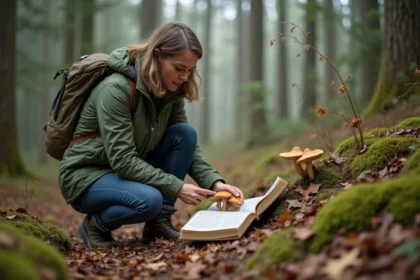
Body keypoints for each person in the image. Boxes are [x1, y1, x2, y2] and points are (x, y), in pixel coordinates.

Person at [58, 22, 244, 248]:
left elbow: (185, 145)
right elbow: (123, 160)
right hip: (86, 175)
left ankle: (158, 223)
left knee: (184, 133)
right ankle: (95, 225)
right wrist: (176, 186)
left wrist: (214, 182)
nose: (185, 77)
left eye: (190, 70)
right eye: (179, 68)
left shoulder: (169, 91)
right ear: (157, 55)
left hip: (123, 170)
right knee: (149, 200)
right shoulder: (115, 89)